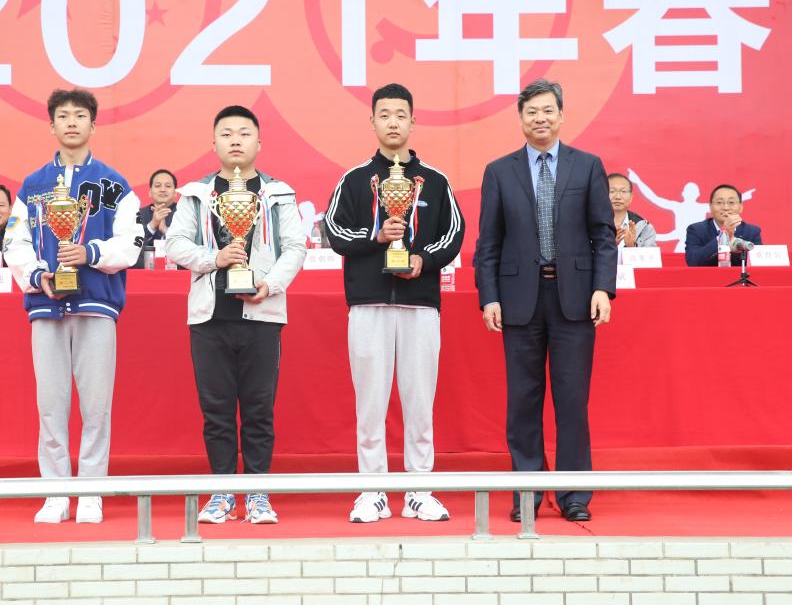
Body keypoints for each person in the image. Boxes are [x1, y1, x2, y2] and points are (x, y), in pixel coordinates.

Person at [473, 79, 616, 523]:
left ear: (561, 115)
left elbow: (603, 235)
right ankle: (527, 493)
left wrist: (602, 287)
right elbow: (488, 242)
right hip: (519, 300)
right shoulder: (499, 171)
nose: (540, 118)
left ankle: (574, 494)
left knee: (572, 401)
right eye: (532, 111)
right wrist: (489, 297)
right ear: (520, 119)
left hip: (575, 298)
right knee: (523, 401)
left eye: (548, 110)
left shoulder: (587, 166)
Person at [324, 83, 465, 524]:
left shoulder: (436, 181)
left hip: (420, 306)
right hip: (368, 305)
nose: (392, 122)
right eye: (384, 114)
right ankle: (373, 490)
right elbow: (334, 232)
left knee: (420, 401)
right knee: (370, 401)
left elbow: (454, 234)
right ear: (372, 122)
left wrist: (422, 259)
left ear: (412, 122)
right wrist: (375, 236)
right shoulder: (353, 180)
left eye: (401, 114)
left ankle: (420, 489)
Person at [4, 88, 142, 524]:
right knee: (50, 404)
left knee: (96, 406)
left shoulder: (115, 184)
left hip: (97, 303)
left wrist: (91, 254)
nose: (71, 122)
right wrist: (37, 275)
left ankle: (91, 493)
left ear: (93, 125)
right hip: (46, 304)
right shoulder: (33, 186)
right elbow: (14, 242)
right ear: (51, 126)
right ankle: (56, 493)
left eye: (80, 115)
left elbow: (131, 244)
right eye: (62, 116)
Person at [165, 105, 305, 525]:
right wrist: (216, 258)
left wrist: (270, 284)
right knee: (217, 409)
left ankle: (258, 492)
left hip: (262, 313)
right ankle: (223, 491)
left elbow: (294, 247)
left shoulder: (278, 193)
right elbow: (175, 244)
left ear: (259, 143)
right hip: (210, 317)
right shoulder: (196, 194)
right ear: (214, 144)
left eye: (244, 133)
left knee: (259, 408)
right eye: (226, 134)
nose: (236, 141)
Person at [684, 184, 762, 267]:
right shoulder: (697, 230)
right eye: (719, 202)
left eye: (731, 202)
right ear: (710, 207)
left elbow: (758, 261)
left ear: (740, 207)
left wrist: (734, 245)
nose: (726, 207)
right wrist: (723, 235)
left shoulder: (751, 232)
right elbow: (693, 262)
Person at [132, 168, 178, 269]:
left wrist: (165, 230)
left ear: (175, 193)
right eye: (158, 186)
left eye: (168, 186)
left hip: (177, 270)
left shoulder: (184, 213)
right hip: (143, 271)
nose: (163, 189)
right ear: (150, 192)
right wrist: (152, 225)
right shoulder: (138, 214)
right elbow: (132, 247)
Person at [607, 173, 657, 250]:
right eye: (612, 191)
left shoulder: (645, 228)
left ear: (631, 197)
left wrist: (631, 247)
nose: (618, 197)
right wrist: (608, 245)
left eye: (623, 191)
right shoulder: (591, 224)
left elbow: (650, 257)